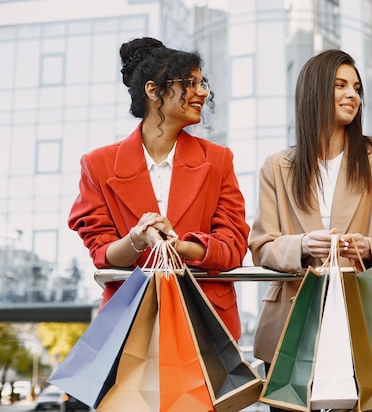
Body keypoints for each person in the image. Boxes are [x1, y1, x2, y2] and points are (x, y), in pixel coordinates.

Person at [249, 49, 372, 411]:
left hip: (366, 318)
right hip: (296, 318)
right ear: (314, 91)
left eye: (357, 87)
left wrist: (368, 248)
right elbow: (262, 245)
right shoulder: (277, 167)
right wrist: (301, 245)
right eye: (340, 85)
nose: (353, 95)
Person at [68, 37, 250, 340]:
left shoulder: (218, 161)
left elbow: (232, 248)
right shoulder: (97, 165)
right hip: (130, 325)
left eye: (202, 83)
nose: (202, 92)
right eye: (190, 83)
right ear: (153, 91)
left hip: (205, 323)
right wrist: (139, 238)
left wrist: (173, 246)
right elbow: (102, 252)